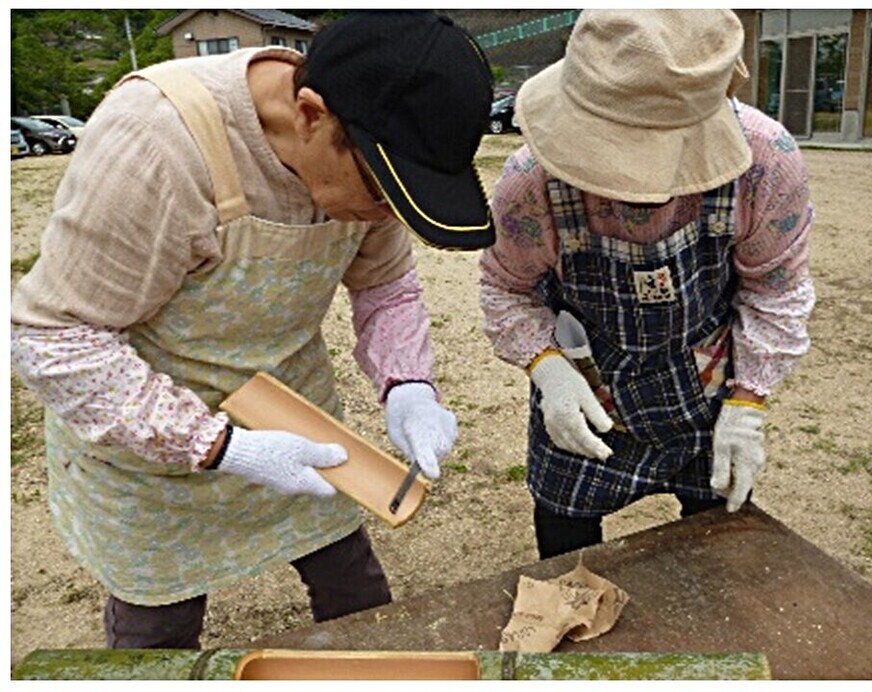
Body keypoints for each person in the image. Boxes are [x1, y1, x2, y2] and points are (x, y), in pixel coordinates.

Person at [11, 10, 495, 649]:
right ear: (311, 116)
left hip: (291, 413)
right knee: (158, 630)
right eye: (382, 192)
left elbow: (385, 285)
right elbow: (54, 338)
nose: (384, 215)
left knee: (355, 593)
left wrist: (409, 383)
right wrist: (220, 446)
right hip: (147, 438)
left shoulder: (369, 156)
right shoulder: (158, 142)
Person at [479, 10, 816, 559]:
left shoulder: (764, 164)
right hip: (585, 389)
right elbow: (506, 288)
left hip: (706, 395)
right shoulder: (529, 182)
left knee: (716, 554)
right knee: (566, 549)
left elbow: (774, 289)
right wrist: (548, 370)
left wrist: (748, 403)